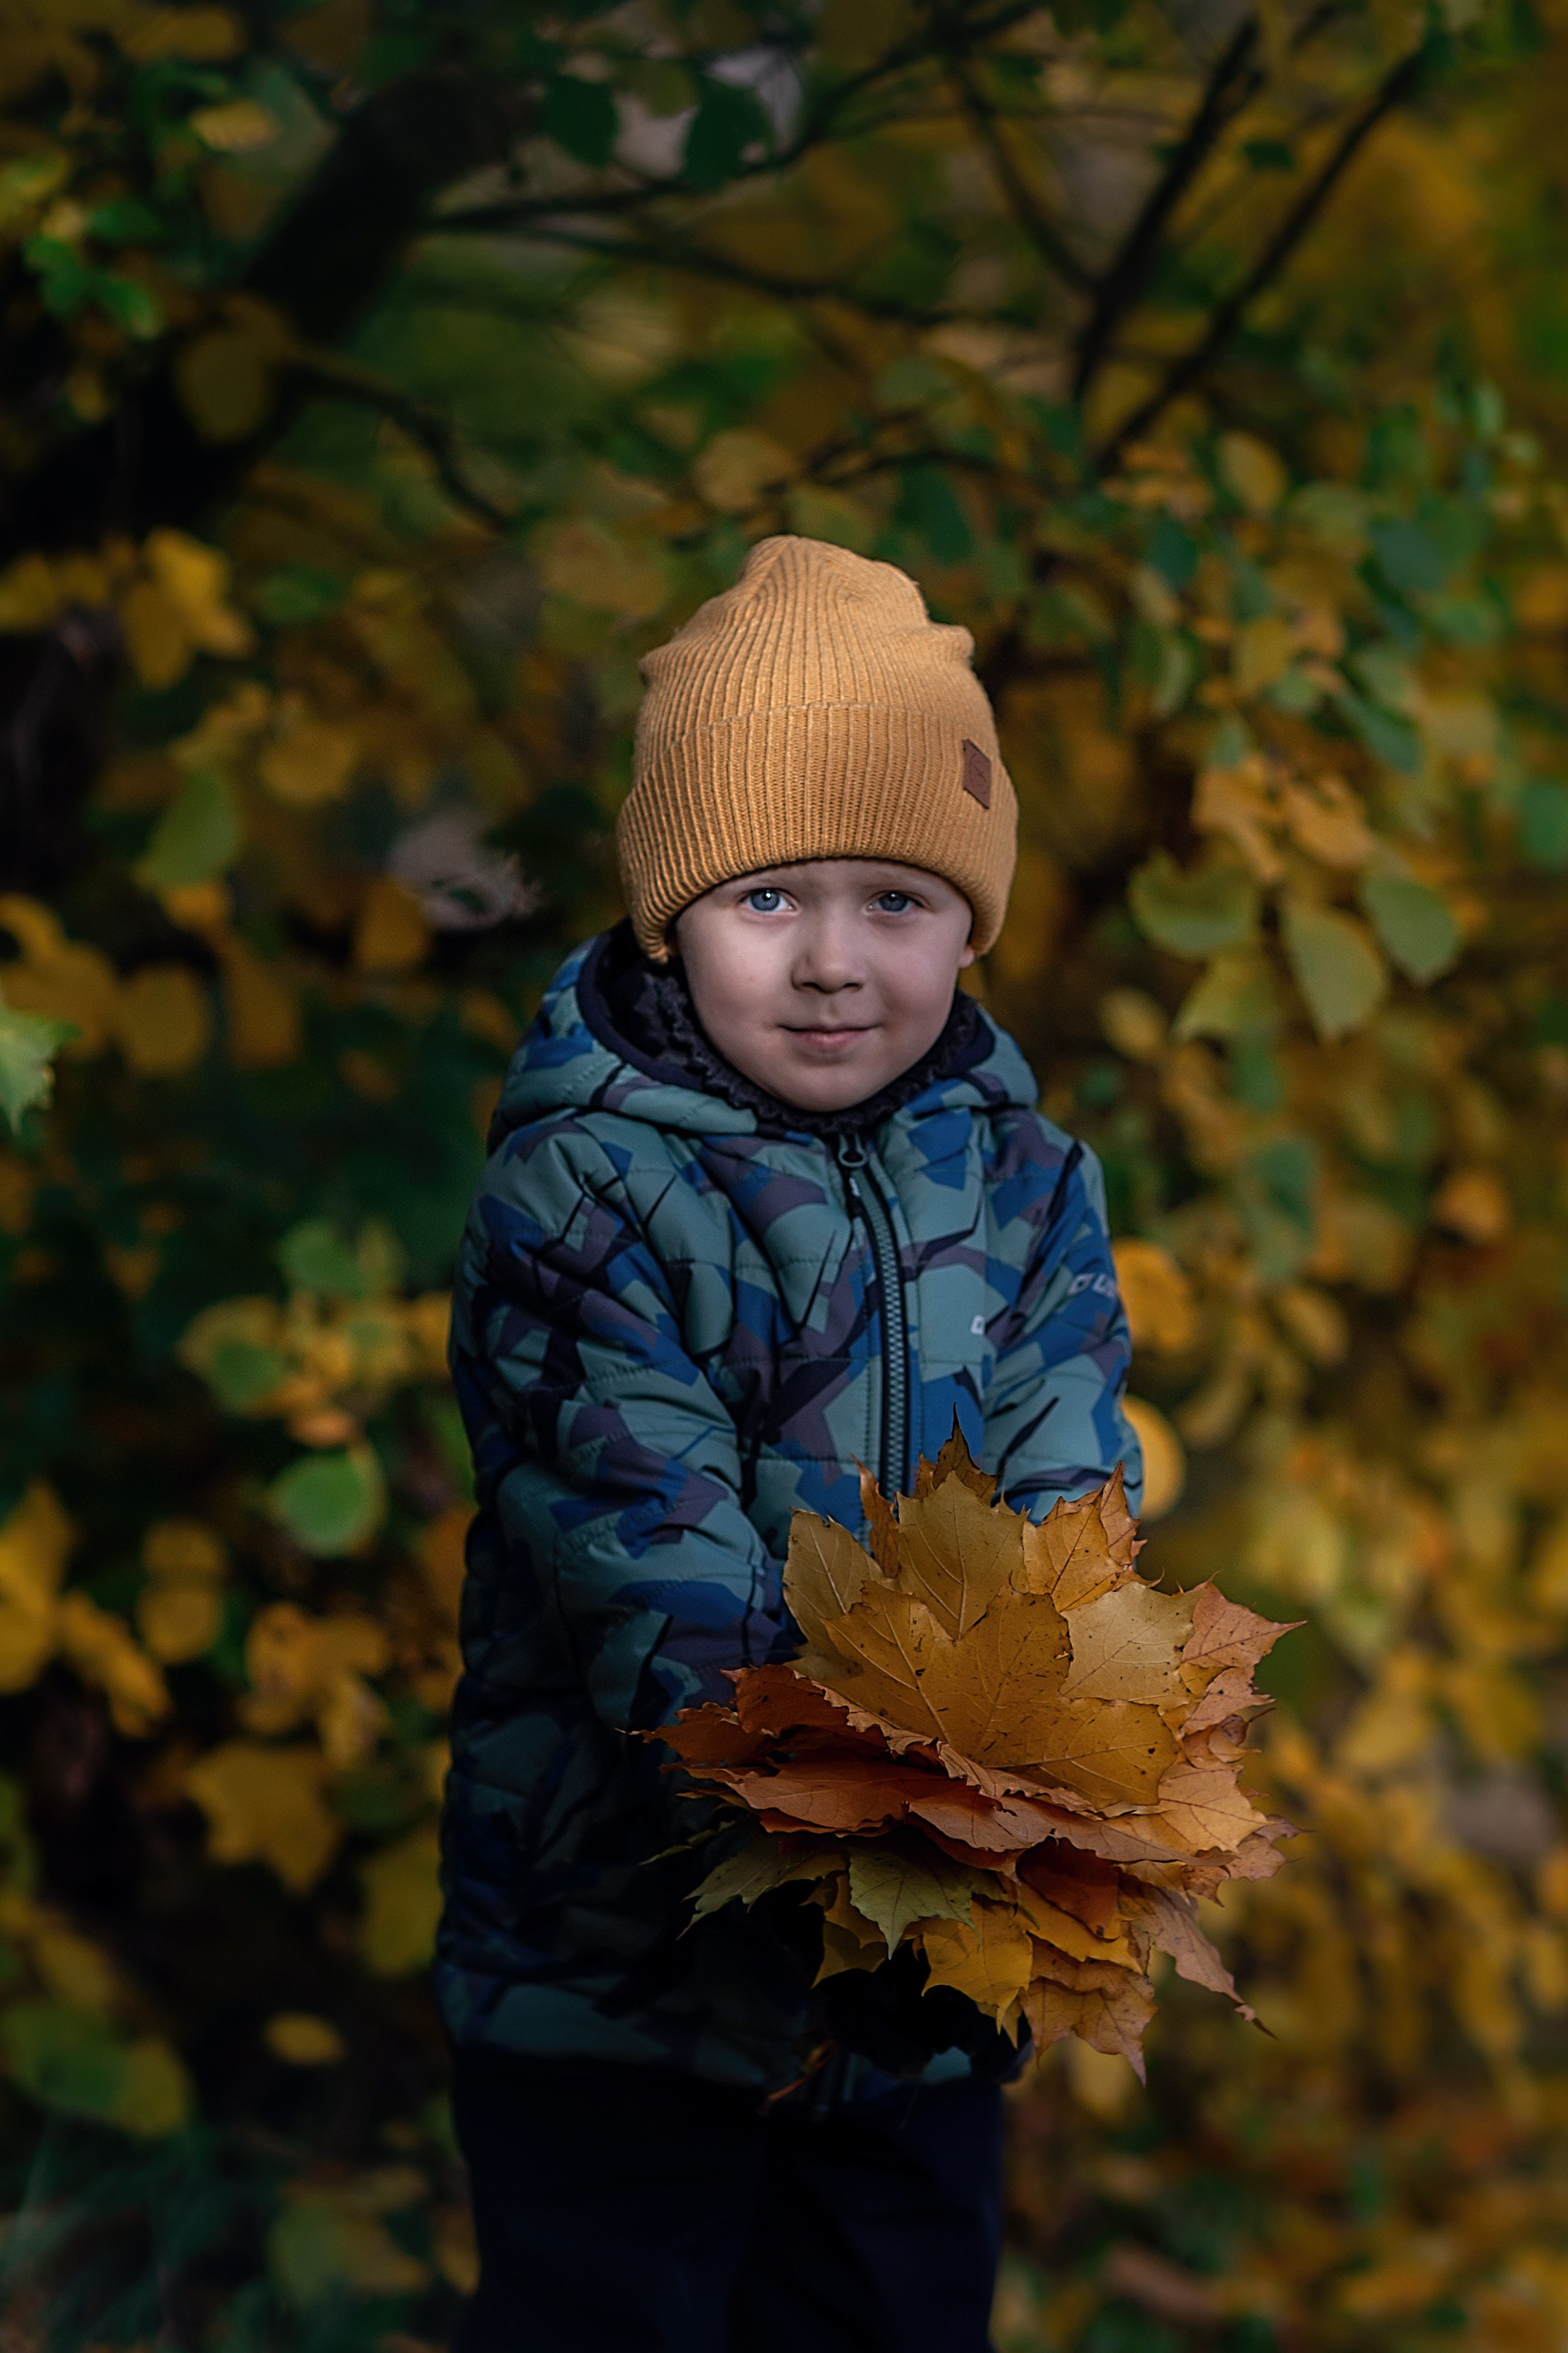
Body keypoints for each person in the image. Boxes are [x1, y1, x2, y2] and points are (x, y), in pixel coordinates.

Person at [438, 536, 1141, 2353]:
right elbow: (650, 1578)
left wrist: (1033, 1813)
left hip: (922, 1996)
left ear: (969, 922)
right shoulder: (585, 1184)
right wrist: (876, 1868)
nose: (834, 963)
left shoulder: (1029, 1178)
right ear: (671, 910)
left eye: (896, 901)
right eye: (769, 901)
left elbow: (1069, 1506)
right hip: (620, 1986)